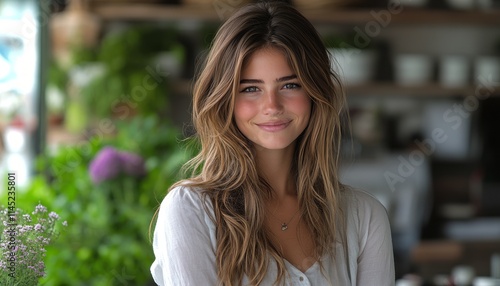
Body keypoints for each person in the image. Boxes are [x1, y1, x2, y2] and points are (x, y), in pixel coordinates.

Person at [150, 1, 395, 285]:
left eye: (290, 85)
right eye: (250, 89)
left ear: (316, 93)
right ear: (224, 100)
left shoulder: (364, 217)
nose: (272, 105)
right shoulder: (191, 211)